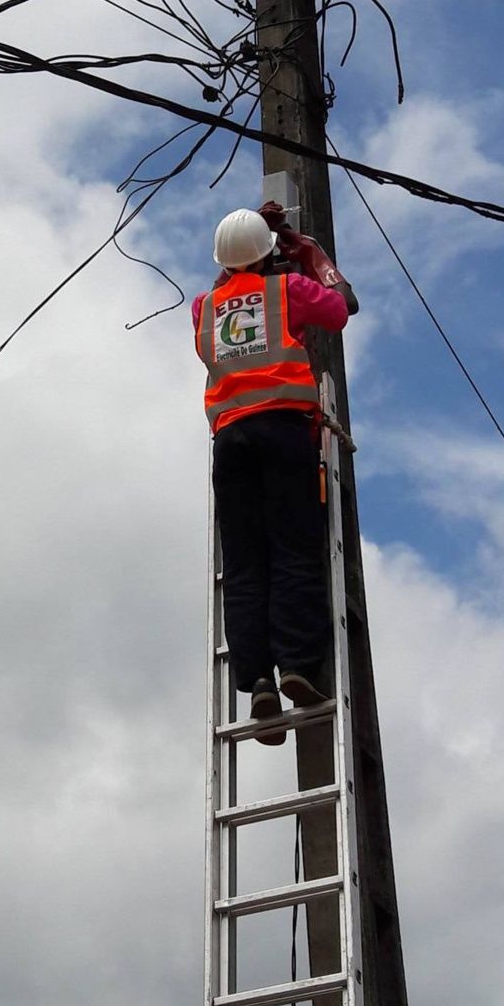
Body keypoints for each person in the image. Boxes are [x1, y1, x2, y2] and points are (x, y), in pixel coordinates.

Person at [193, 207, 350, 745]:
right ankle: (297, 667)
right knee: (292, 549)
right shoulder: (289, 291)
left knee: (243, 565)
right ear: (266, 253)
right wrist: (308, 254)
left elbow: (232, 285)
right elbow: (340, 309)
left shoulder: (205, 307)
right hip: (283, 431)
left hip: (230, 443)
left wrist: (253, 250)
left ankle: (256, 679)